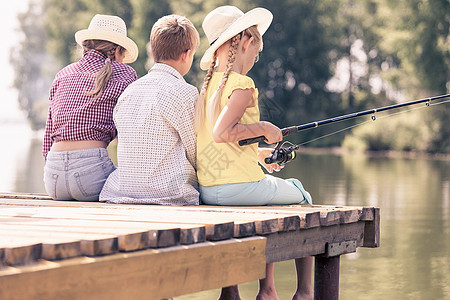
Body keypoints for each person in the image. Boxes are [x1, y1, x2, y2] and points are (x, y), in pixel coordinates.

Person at [196, 6, 313, 300]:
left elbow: (221, 142)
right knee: (301, 194)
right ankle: (301, 292)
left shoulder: (207, 87)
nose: (254, 60)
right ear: (247, 42)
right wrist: (265, 127)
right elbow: (221, 133)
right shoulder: (242, 84)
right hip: (238, 188)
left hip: (209, 189)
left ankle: (255, 290)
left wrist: (259, 154)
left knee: (268, 200)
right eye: (256, 53)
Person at [99, 14, 200, 205]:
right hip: (170, 194)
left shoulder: (129, 91)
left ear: (152, 53)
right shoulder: (186, 92)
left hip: (123, 192)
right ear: (187, 55)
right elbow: (195, 152)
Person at [43, 14, 138, 201]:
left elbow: (48, 133)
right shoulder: (126, 73)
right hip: (91, 175)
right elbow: (132, 130)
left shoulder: (62, 74)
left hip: (53, 179)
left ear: (86, 45)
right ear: (118, 49)